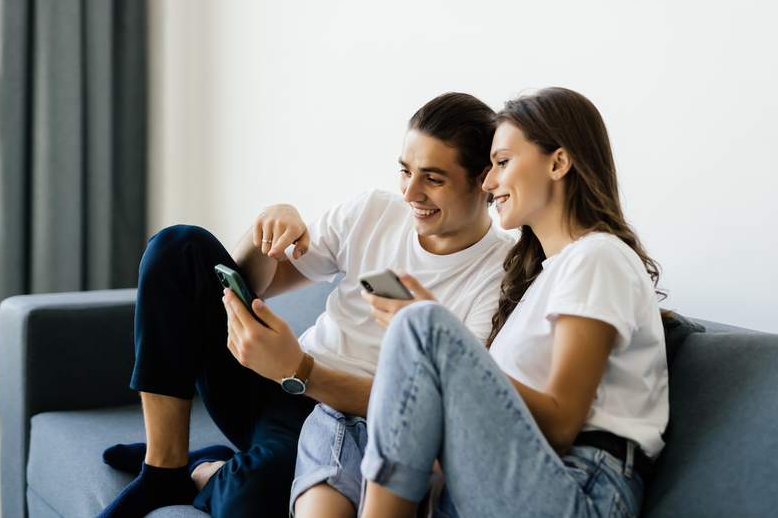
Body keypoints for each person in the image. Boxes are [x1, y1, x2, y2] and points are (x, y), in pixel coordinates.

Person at [98, 92, 514, 517]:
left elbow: (442, 407)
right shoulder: (373, 211)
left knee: (253, 494)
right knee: (178, 246)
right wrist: (269, 231)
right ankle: (163, 469)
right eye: (405, 171)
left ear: (484, 179)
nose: (410, 192)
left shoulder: (502, 275)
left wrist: (299, 371)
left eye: (433, 179)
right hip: (276, 381)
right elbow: (259, 282)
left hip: (351, 418)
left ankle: (203, 470)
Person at [359, 87, 669, 518]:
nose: (488, 183)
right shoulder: (544, 279)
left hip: (580, 487)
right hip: (523, 477)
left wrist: (439, 338)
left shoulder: (598, 256)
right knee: (421, 331)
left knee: (422, 325)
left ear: (558, 163)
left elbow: (561, 426)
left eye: (502, 163)